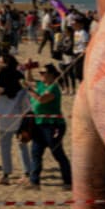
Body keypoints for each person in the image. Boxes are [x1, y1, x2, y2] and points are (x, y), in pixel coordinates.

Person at [24, 61, 72, 189]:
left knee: (58, 154)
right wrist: (29, 68)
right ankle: (34, 182)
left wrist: (29, 90)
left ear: (51, 74)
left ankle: (68, 182)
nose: (41, 75)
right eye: (40, 73)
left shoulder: (54, 88)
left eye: (43, 73)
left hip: (53, 125)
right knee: (36, 153)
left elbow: (42, 100)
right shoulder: (41, 84)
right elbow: (29, 79)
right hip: (39, 124)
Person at [0, 53, 30, 184]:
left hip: (5, 117)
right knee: (21, 145)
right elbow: (26, 103)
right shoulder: (17, 79)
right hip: (16, 116)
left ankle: (7, 174)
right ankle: (26, 172)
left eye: (1, 62)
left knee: (7, 146)